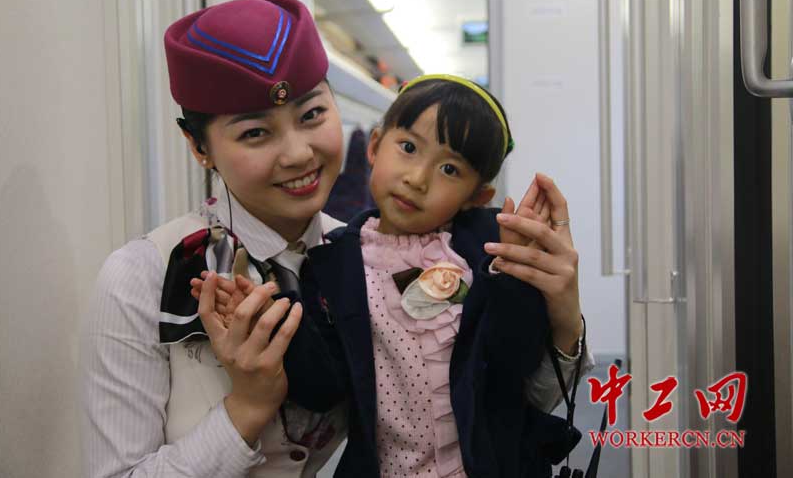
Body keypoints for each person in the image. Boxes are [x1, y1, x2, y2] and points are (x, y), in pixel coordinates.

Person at [80, 0, 587, 478]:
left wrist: (562, 314)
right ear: (198, 146)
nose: (299, 154)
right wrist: (248, 407)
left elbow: (494, 396)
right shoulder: (144, 277)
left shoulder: (357, 253)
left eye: (312, 116)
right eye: (255, 133)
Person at [195, 75, 594, 477]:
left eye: (449, 169)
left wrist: (512, 278)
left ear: (477, 197)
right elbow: (324, 388)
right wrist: (269, 316)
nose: (417, 178)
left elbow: (515, 362)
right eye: (408, 148)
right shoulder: (333, 263)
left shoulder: (485, 249)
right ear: (374, 146)